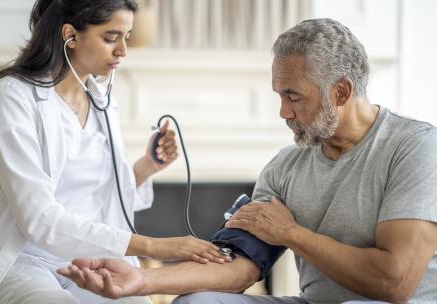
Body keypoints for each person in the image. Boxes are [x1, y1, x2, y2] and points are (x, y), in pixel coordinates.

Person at [58, 18, 437, 304]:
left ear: (340, 91)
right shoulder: (285, 166)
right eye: (279, 96)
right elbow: (240, 267)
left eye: (294, 97)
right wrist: (143, 281)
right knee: (198, 302)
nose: (283, 112)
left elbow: (396, 282)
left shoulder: (414, 147)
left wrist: (291, 234)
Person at [0, 1, 231, 304]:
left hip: (91, 262)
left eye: (127, 37)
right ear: (71, 35)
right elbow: (38, 218)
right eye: (111, 38)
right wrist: (155, 247)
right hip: (27, 260)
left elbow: (100, 199)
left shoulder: (103, 100)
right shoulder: (13, 96)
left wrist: (146, 167)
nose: (123, 51)